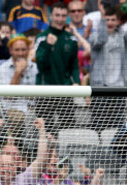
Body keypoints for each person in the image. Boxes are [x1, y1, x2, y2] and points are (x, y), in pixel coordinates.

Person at [35, 3, 80, 133]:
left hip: (65, 91)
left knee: (69, 130)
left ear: (67, 17)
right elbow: (40, 65)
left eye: (63, 16)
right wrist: (48, 46)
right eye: (57, 15)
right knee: (43, 131)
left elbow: (74, 66)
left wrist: (76, 82)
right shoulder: (42, 38)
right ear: (50, 16)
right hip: (45, 91)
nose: (60, 19)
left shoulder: (71, 39)